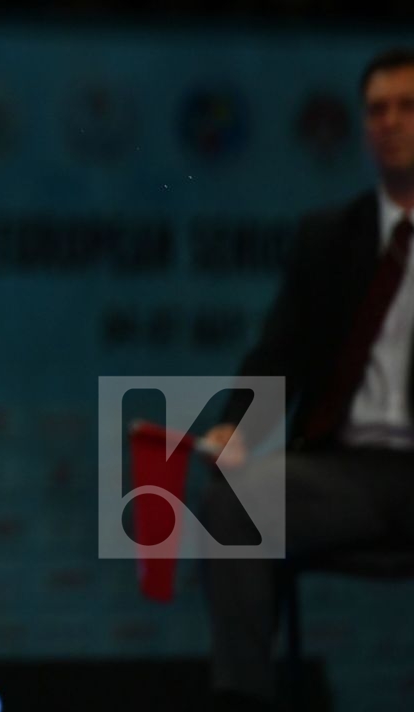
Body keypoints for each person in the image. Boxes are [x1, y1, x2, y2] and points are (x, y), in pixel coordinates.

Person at [199, 48, 414, 711]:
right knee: (235, 499)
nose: (390, 121)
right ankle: (244, 701)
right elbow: (280, 352)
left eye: (407, 106)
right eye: (377, 109)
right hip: (345, 473)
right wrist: (239, 426)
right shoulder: (332, 237)